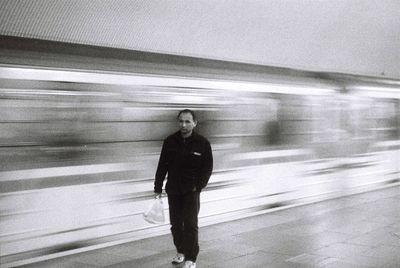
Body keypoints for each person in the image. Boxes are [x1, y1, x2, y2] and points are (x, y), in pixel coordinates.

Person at [154, 109, 213, 268]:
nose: (184, 125)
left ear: (195, 123)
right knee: (175, 224)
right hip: (173, 189)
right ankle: (181, 251)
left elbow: (207, 168)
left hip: (191, 191)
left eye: (187, 121)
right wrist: (157, 187)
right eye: (181, 121)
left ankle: (191, 259)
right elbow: (162, 166)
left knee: (191, 224)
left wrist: (198, 186)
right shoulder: (170, 141)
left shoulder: (202, 143)